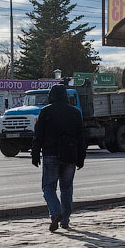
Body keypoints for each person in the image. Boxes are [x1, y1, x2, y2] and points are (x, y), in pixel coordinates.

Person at [31, 84, 86, 232]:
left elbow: (38, 135)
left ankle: (56, 212)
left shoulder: (45, 111)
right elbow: (81, 137)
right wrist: (81, 157)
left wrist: (35, 154)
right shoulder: (75, 112)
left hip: (50, 154)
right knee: (66, 188)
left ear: (51, 96)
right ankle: (65, 220)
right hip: (70, 155)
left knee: (48, 187)